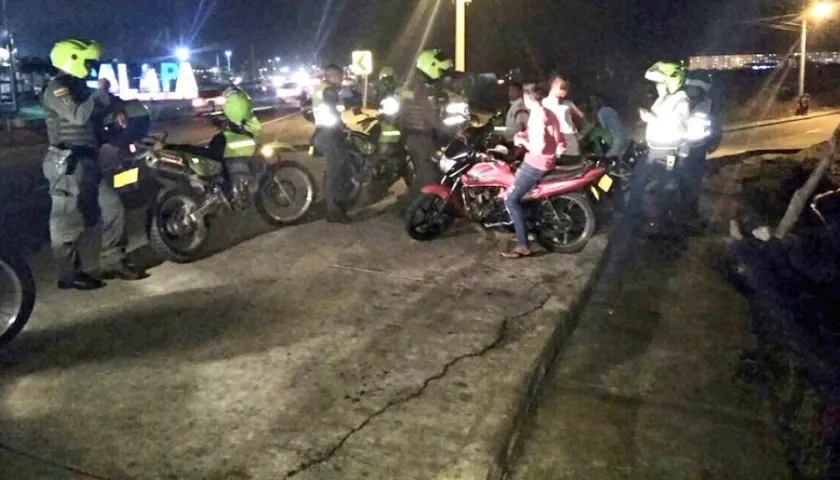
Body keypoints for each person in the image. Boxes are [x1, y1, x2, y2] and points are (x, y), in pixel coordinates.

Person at [41, 38, 144, 290]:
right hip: (67, 164)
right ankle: (68, 275)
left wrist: (116, 106)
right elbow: (78, 116)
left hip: (88, 160)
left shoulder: (78, 88)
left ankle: (113, 260)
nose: (92, 66)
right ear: (72, 60)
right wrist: (100, 93)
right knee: (66, 220)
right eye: (87, 61)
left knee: (113, 207)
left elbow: (98, 112)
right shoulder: (57, 89)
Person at [158, 87, 262, 207]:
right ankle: (224, 195)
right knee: (204, 152)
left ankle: (225, 193)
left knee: (214, 157)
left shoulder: (228, 136)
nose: (224, 105)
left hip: (208, 160)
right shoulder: (229, 137)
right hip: (201, 160)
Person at [502, 83, 565, 259]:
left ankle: (522, 244)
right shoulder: (548, 113)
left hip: (534, 164)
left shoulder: (537, 116)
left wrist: (522, 142)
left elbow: (539, 147)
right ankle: (526, 228)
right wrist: (524, 135)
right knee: (525, 197)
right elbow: (556, 138)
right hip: (547, 163)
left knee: (510, 199)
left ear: (528, 98)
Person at [628, 61, 691, 222]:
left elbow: (680, 128)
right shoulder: (663, 99)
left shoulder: (681, 101)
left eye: (660, 82)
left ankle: (661, 223)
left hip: (666, 152)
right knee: (640, 181)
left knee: (662, 189)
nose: (656, 86)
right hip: (654, 150)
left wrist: (653, 119)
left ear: (670, 82)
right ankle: (640, 217)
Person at [402, 49, 456, 203]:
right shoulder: (426, 90)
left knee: (424, 173)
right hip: (422, 138)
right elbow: (432, 118)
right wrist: (453, 131)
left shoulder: (414, 85)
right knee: (427, 176)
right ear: (430, 67)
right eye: (441, 71)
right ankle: (413, 209)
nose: (443, 76)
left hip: (413, 135)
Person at [310, 64, 353, 223]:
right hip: (330, 134)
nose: (341, 80)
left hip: (322, 132)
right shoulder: (329, 91)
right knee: (336, 174)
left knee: (331, 172)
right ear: (332, 76)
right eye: (340, 76)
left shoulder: (320, 89)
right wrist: (343, 127)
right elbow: (333, 111)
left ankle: (331, 205)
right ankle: (334, 212)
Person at [543, 75, 585, 166]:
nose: (565, 90)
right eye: (562, 87)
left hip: (573, 148)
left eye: (566, 87)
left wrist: (579, 134)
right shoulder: (543, 104)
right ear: (552, 86)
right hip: (557, 150)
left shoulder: (568, 104)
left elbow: (581, 118)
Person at [586, 93, 629, 159]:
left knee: (608, 158)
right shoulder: (609, 109)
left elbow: (605, 129)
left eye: (593, 101)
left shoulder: (601, 113)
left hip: (617, 138)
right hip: (625, 134)